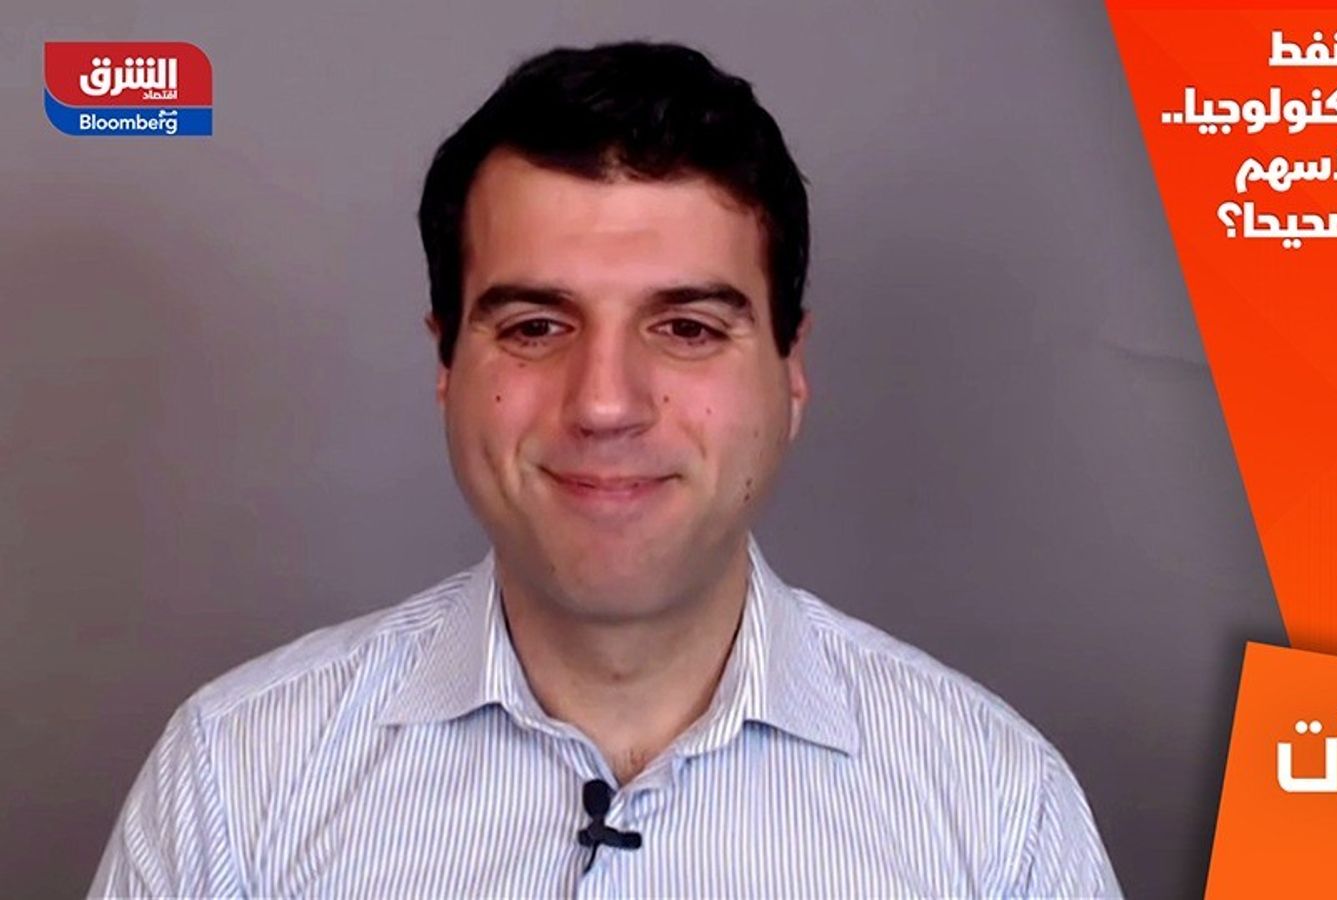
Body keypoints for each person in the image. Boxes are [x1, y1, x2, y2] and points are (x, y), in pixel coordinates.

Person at [90, 41, 1121, 898]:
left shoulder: (996, 810)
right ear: (447, 364)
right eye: (535, 326)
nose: (604, 404)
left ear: (790, 371)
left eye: (687, 327)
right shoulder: (234, 780)